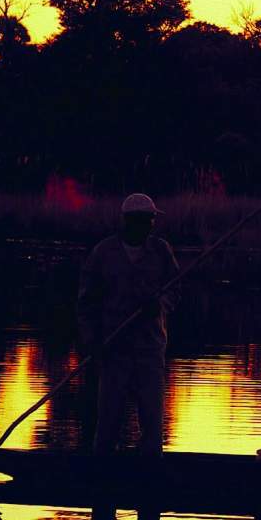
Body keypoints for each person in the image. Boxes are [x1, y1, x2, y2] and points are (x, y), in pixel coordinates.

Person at [77, 193, 180, 455]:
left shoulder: (161, 251)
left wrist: (159, 305)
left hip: (150, 350)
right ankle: (101, 475)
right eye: (147, 220)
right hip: (114, 351)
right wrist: (92, 342)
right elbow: (87, 303)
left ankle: (149, 473)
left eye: (152, 221)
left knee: (152, 424)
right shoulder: (103, 253)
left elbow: (175, 290)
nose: (150, 225)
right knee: (108, 421)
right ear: (130, 221)